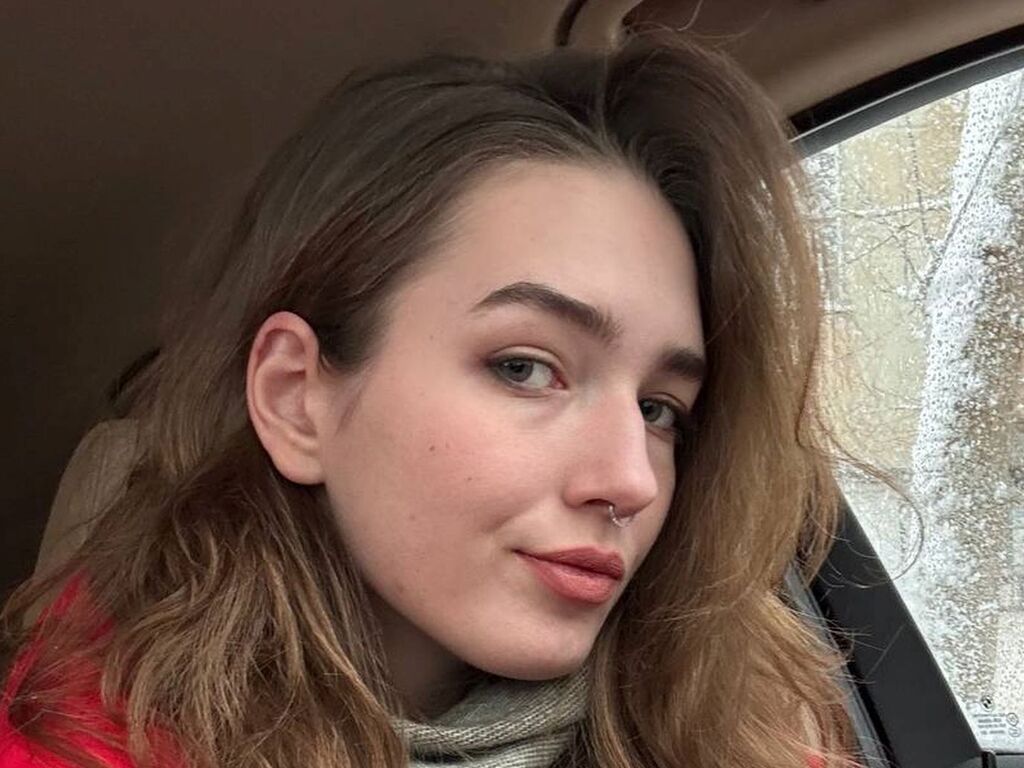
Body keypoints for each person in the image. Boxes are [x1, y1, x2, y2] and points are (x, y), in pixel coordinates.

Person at [1, 31, 856, 768]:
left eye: (660, 410)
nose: (630, 481)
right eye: (526, 368)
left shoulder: (743, 734)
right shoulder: (74, 743)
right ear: (296, 400)